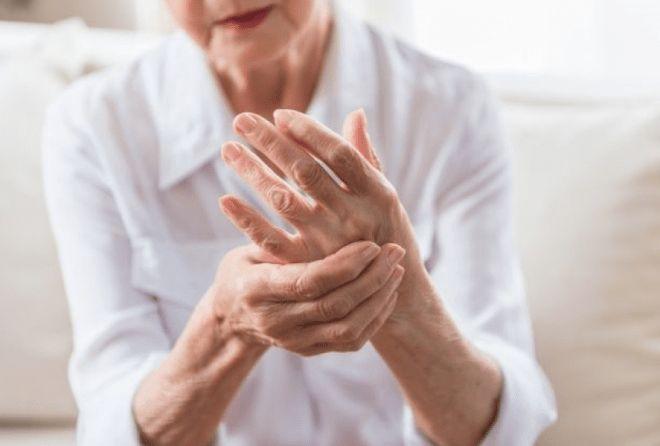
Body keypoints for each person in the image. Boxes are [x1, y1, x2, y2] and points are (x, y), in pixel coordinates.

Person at [42, 0, 556, 445]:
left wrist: (399, 293)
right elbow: (113, 422)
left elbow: (502, 423)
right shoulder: (95, 127)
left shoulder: (449, 108)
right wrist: (223, 326)